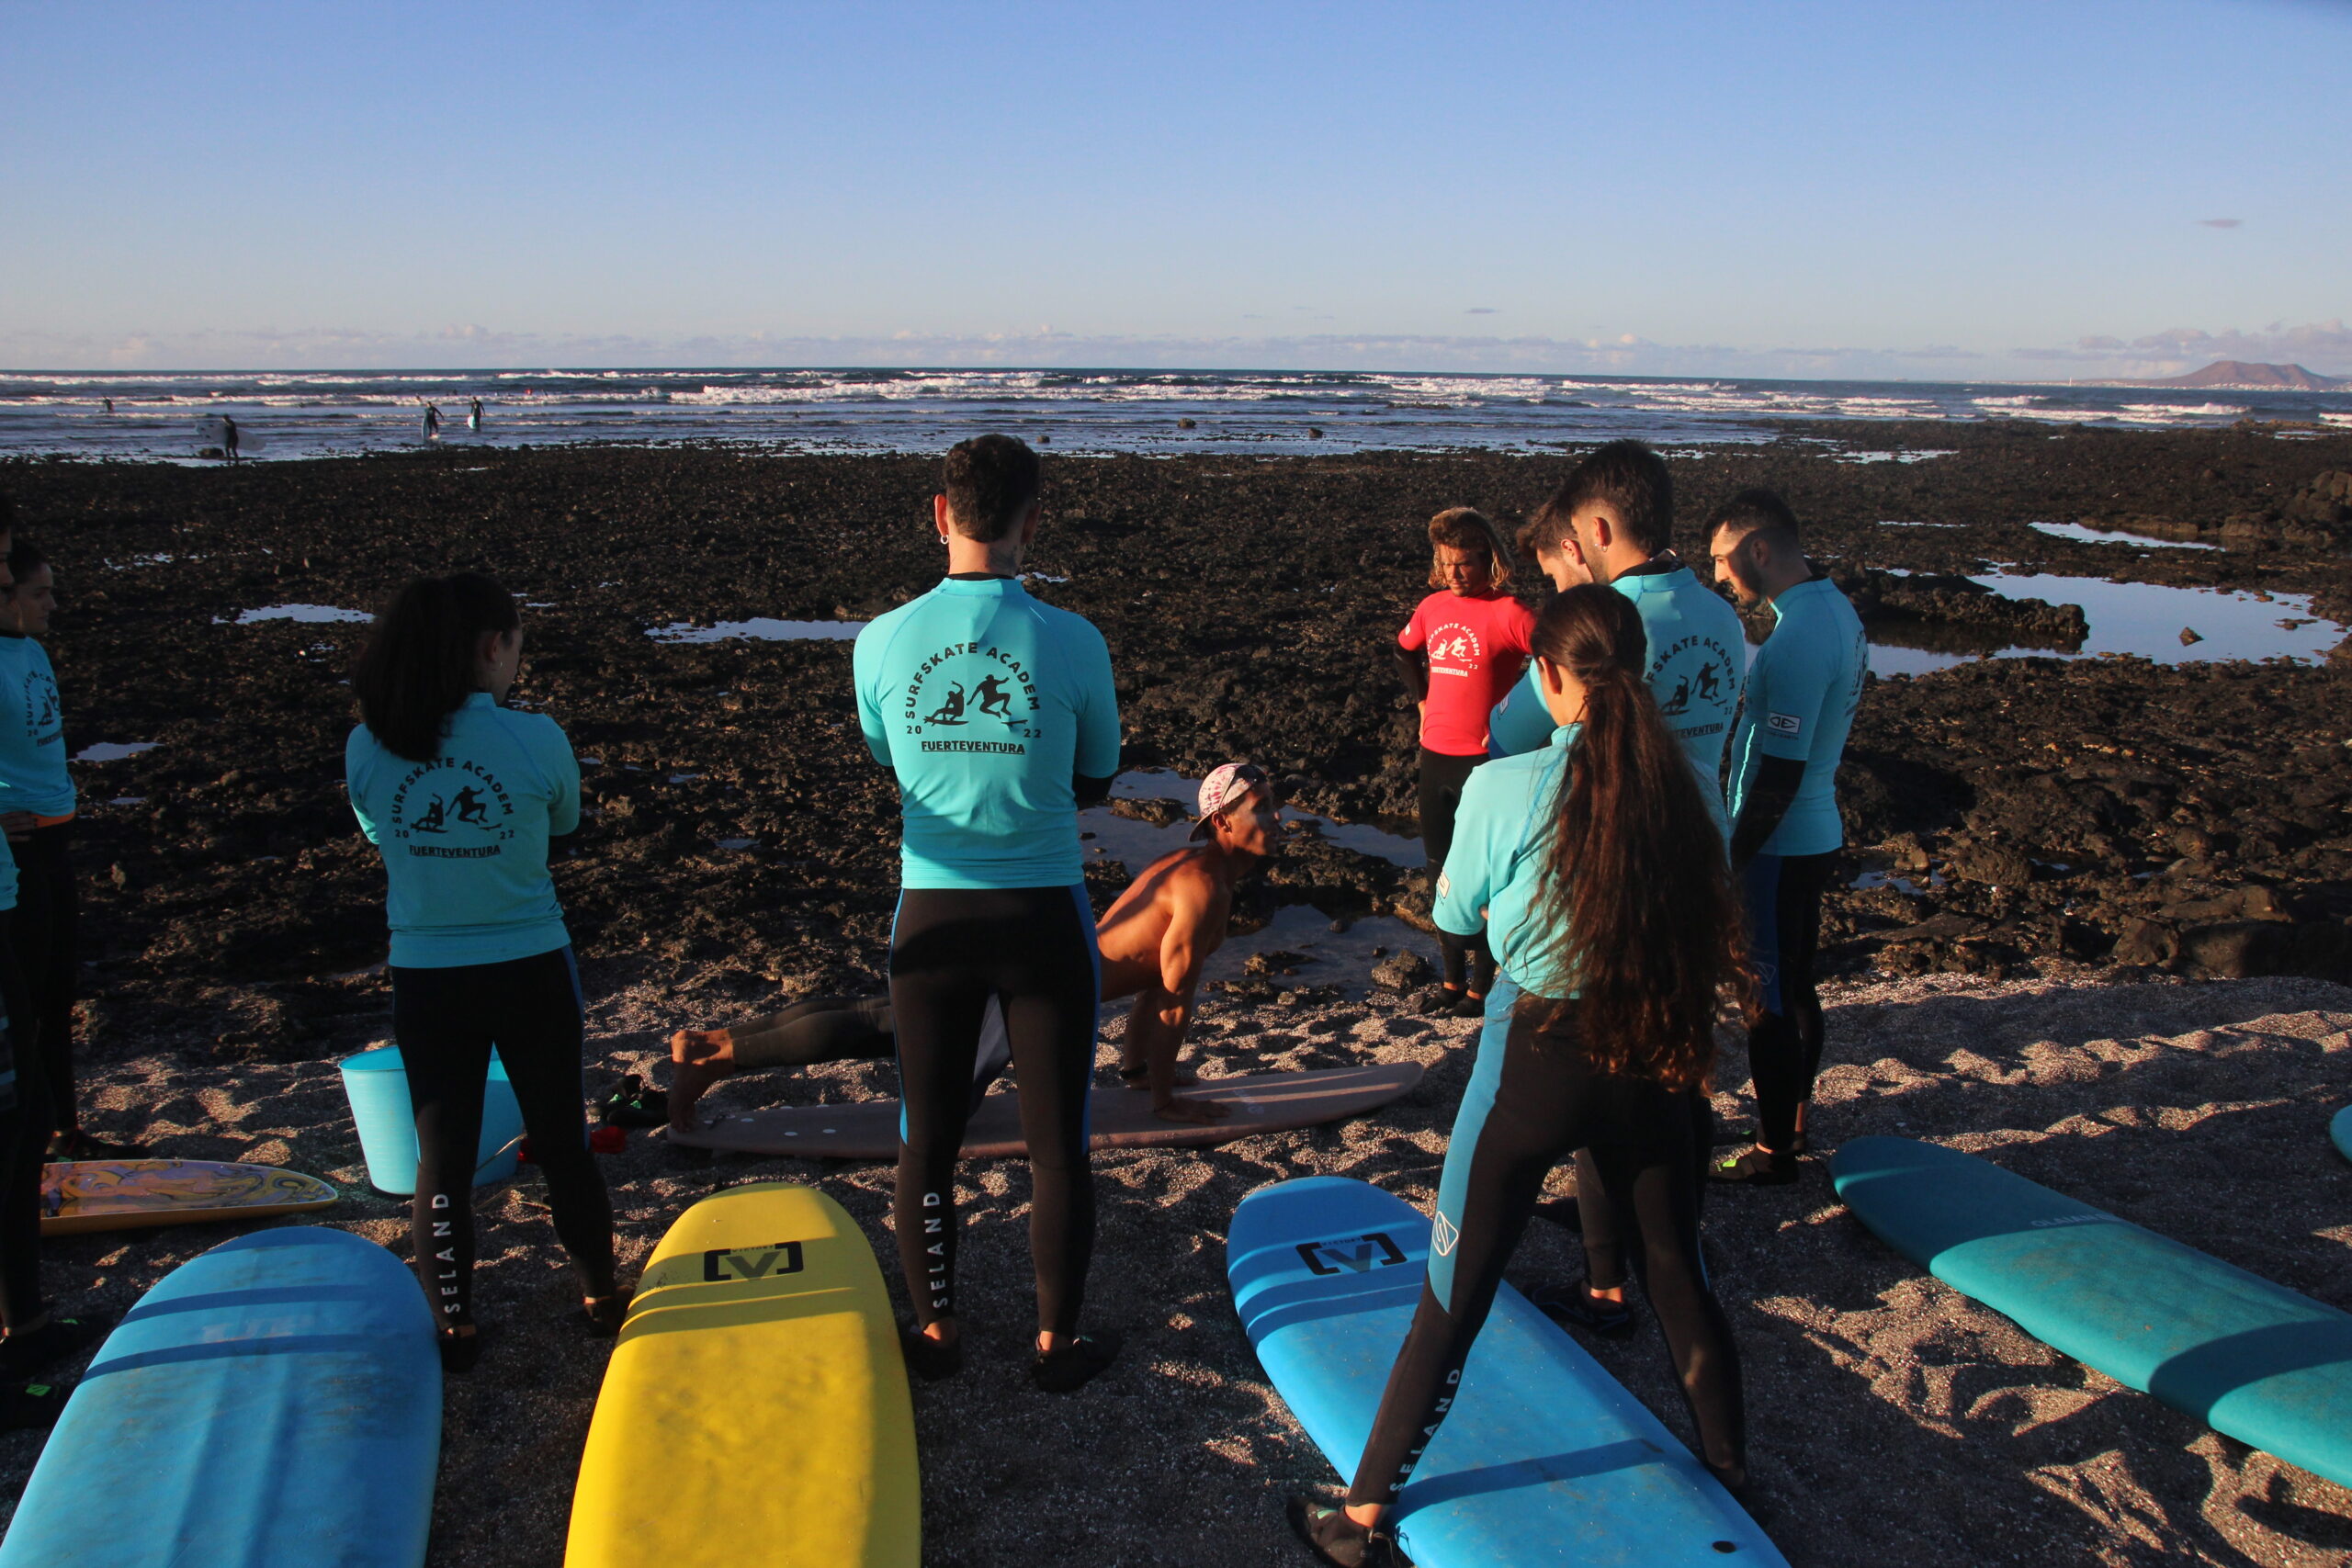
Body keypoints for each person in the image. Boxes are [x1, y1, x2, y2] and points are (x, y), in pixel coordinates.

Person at [1290, 585, 1753, 1566]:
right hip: (1653, 1060)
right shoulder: (1694, 790)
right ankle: (1732, 1472)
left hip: (1534, 1062)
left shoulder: (1500, 787)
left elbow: (1456, 922)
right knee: (1677, 1274)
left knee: (1452, 1295)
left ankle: (1359, 1522)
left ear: (1545, 676)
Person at [853, 434, 1123, 1393]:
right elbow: (1096, 773)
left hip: (932, 918)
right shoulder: (1074, 639)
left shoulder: (879, 640)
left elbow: (891, 762)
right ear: (1033, 520)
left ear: (939, 514)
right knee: (1058, 1146)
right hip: (1045, 912)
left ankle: (936, 1332)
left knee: (926, 1134)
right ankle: (1055, 1344)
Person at [665, 762, 1283, 1130]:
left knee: (883, 1012)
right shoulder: (1202, 890)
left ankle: (711, 1042)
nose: (1277, 819)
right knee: (889, 1027)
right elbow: (1174, 999)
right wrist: (1167, 1099)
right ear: (1222, 822)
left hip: (1038, 967)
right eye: (1261, 808)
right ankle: (714, 1060)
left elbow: (1154, 981)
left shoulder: (1189, 867)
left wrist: (1139, 1071)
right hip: (1033, 991)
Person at [346, 573, 620, 1369]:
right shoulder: (536, 738)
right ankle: (601, 1295)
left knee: (444, 1156)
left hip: (427, 974)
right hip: (530, 963)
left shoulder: (370, 745)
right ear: (492, 646)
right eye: (515, 646)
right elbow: (562, 822)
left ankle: (457, 1324)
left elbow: (378, 834)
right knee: (562, 1140)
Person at [1705, 489, 1868, 1186]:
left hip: (1779, 840)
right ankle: (1793, 1122)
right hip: (1814, 831)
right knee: (1798, 983)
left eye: (1720, 558)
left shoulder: (1800, 638)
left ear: (1757, 550)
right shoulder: (1834, 610)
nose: (1717, 575)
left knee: (1764, 997)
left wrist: (1732, 861)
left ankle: (1772, 1154)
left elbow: (1778, 773)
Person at [0, 543, 130, 1159]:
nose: (52, 603)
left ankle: (64, 1129)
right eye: (39, 592)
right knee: (21, 1003)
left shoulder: (33, 650)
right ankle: (30, 1133)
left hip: (57, 839)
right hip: (15, 851)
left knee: (57, 997)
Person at [1393, 508, 1532, 1014]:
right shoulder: (1431, 607)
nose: (1454, 574)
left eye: (1465, 564)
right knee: (1440, 875)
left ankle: (1479, 986)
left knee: (1485, 878)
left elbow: (1554, 662)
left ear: (1488, 560)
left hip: (1485, 764)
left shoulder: (1510, 612)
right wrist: (1422, 700)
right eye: (1446, 563)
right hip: (1437, 758)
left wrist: (1523, 719)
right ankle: (1450, 982)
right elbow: (1404, 651)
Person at [1483, 501, 1591, 756]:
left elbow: (1504, 744)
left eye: (1553, 576)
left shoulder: (1574, 628)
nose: (1560, 590)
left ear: (1571, 550)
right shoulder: (1705, 603)